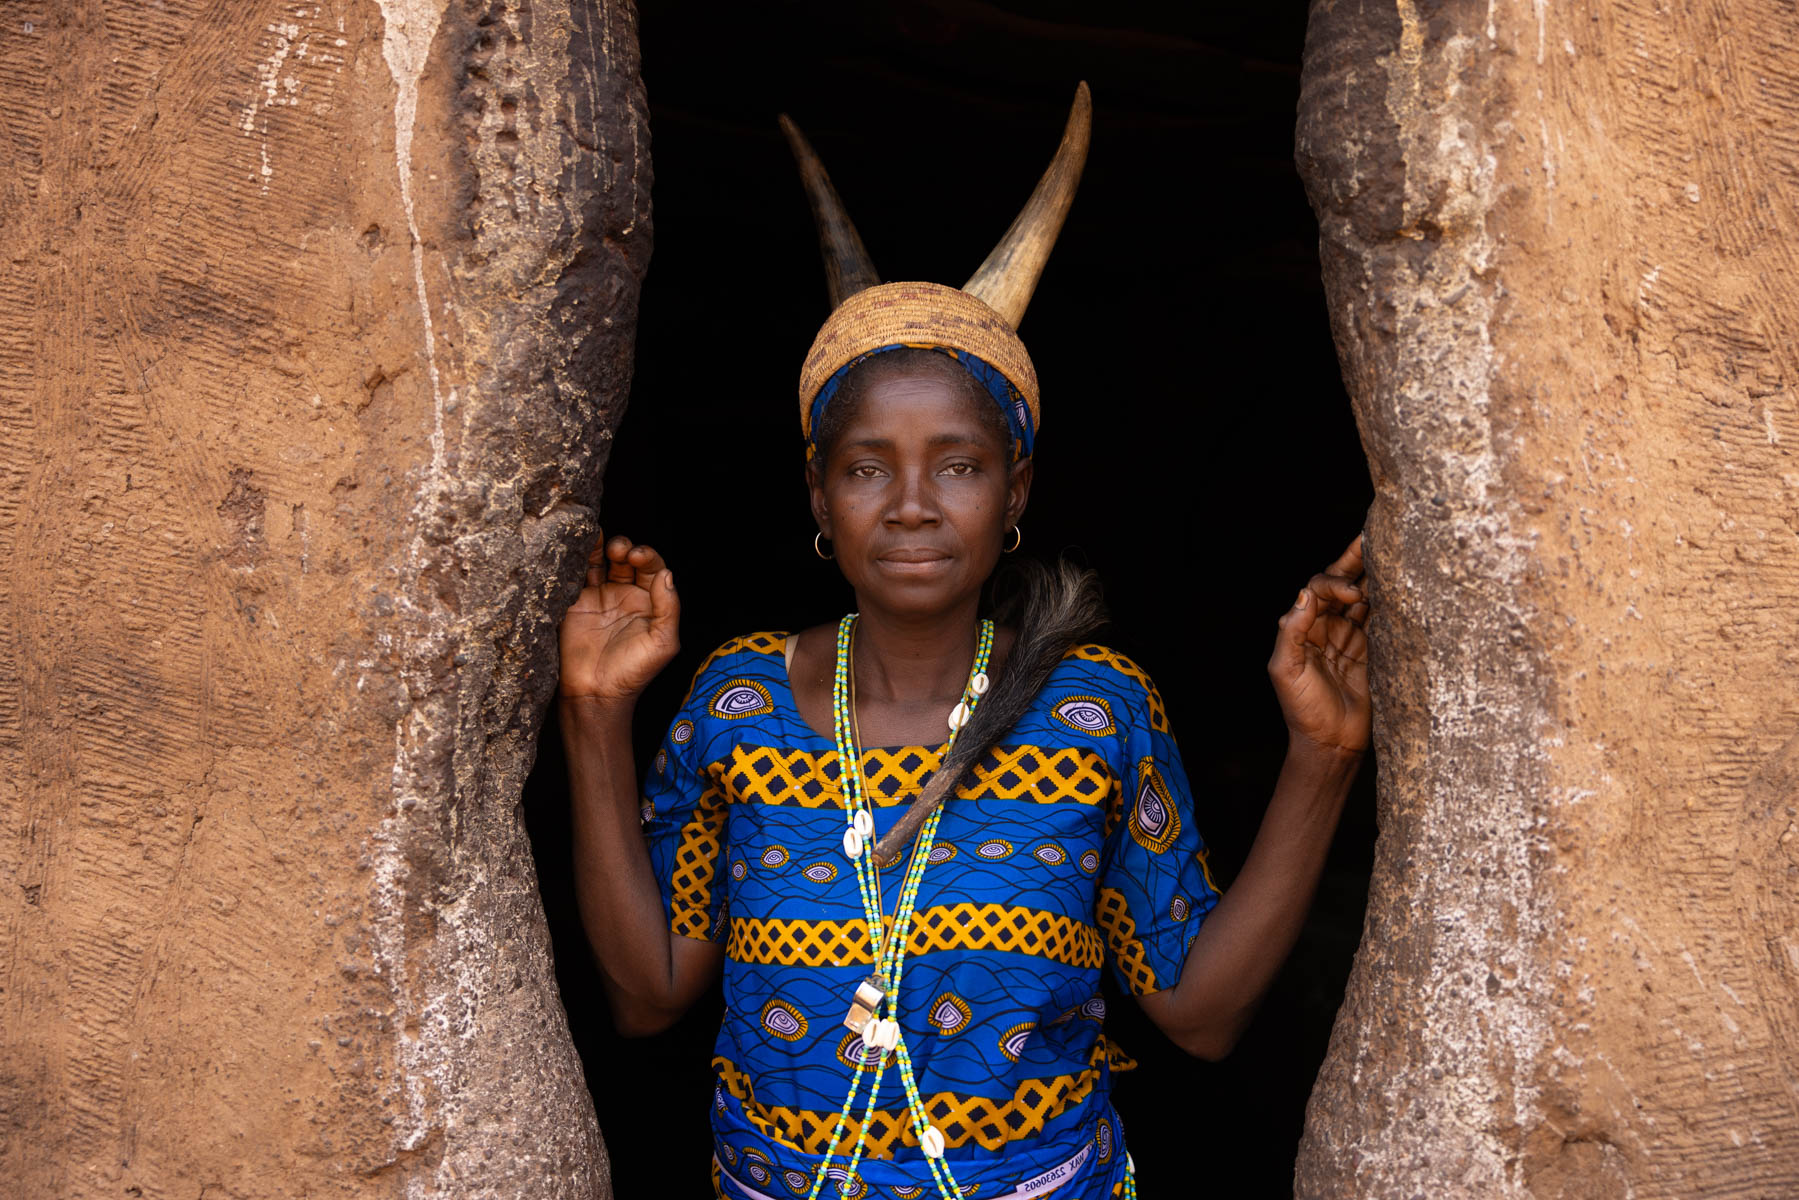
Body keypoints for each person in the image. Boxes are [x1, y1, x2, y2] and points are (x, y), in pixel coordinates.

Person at [556, 84, 1370, 1200]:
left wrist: (1322, 756)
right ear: (818, 494)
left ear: (1014, 486)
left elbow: (1202, 1017)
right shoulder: (736, 702)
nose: (909, 504)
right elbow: (647, 994)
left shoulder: (1096, 710)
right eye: (864, 467)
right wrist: (595, 714)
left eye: (957, 463)